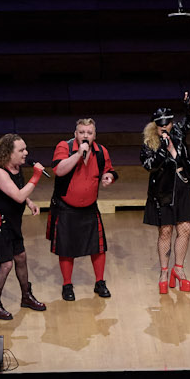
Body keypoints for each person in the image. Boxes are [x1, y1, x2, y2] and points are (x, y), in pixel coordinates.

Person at [47, 116, 116, 300]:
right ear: (75, 134)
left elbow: (108, 170)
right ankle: (67, 285)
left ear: (94, 135)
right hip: (66, 207)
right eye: (82, 132)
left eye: (89, 133)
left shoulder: (101, 151)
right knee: (66, 249)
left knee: (98, 248)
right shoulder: (65, 147)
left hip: (90, 208)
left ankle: (99, 282)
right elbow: (59, 170)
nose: (85, 135)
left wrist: (108, 177)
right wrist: (78, 155)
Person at [0, 134, 46, 320]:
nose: (26, 153)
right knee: (7, 263)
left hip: (12, 222)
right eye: (21, 150)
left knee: (21, 257)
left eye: (25, 149)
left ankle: (26, 296)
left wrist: (29, 202)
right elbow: (16, 195)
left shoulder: (16, 168)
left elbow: (17, 192)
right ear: (9, 153)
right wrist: (36, 176)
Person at [141, 93, 190, 293]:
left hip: (182, 188)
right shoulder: (149, 143)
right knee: (165, 231)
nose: (165, 128)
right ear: (154, 126)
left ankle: (179, 269)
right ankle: (164, 272)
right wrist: (163, 150)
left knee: (184, 229)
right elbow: (149, 165)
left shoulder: (178, 132)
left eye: (168, 125)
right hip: (163, 192)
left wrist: (189, 106)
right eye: (161, 126)